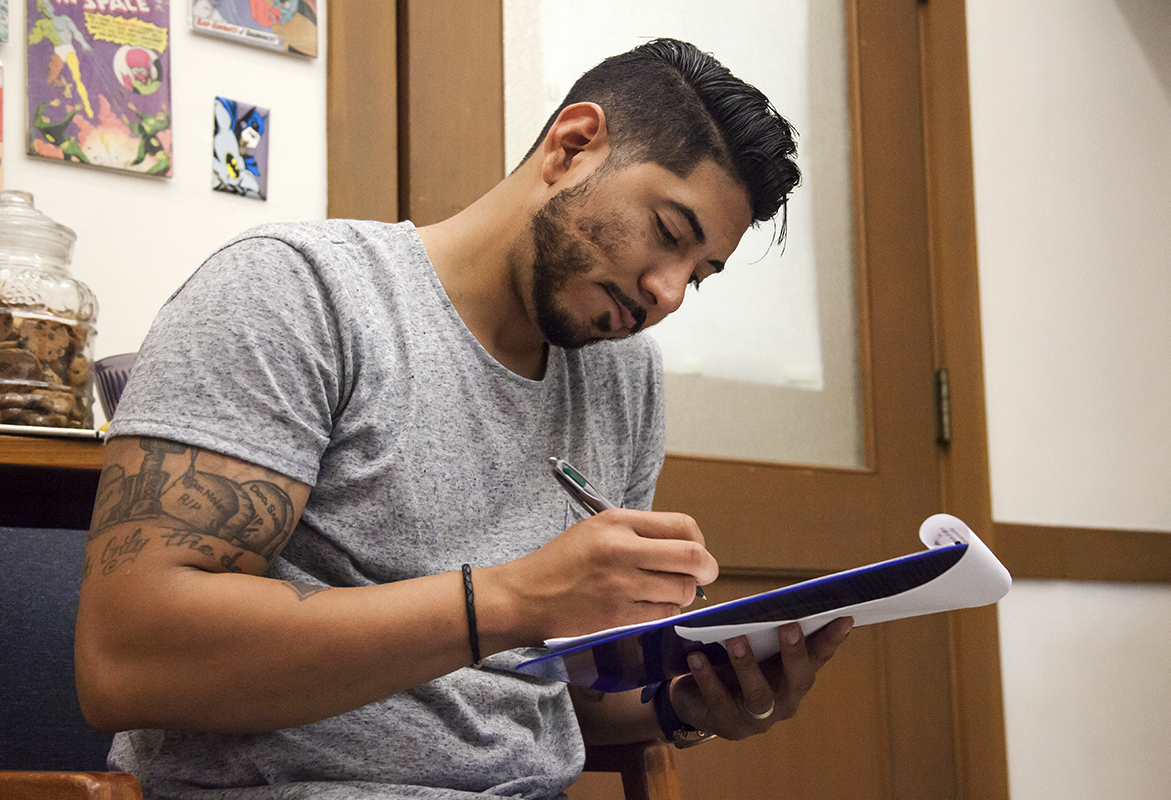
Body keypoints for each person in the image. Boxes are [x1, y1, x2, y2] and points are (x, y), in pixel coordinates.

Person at [75, 38, 853, 799]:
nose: (669, 292)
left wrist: (685, 703)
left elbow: (549, 691)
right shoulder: (295, 293)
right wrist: (515, 598)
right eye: (669, 234)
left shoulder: (625, 377)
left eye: (700, 273)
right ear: (574, 146)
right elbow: (129, 660)